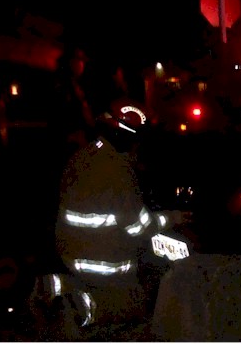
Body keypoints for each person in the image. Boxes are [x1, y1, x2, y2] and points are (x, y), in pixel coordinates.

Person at [53, 98, 182, 334]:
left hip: (70, 254)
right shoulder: (117, 171)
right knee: (138, 301)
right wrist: (175, 217)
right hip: (103, 264)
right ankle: (82, 307)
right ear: (129, 138)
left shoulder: (85, 155)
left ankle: (57, 287)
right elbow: (138, 228)